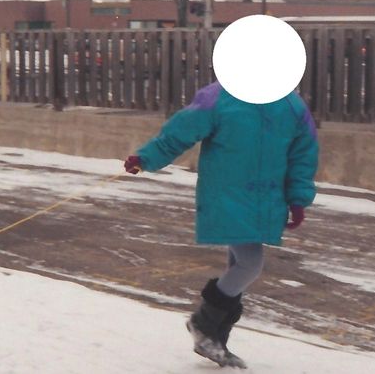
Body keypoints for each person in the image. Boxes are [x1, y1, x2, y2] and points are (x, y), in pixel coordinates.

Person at [123, 81, 318, 368]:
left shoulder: (292, 105)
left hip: (265, 199)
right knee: (250, 264)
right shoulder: (218, 97)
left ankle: (216, 339)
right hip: (226, 196)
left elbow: (303, 154)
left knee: (237, 268)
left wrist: (298, 198)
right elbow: (180, 133)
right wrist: (146, 158)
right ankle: (203, 324)